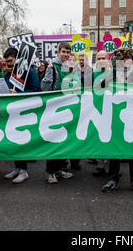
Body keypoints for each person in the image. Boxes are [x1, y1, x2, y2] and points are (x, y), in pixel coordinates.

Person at [101, 48, 133, 194]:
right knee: (115, 146)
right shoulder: (113, 73)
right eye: (123, 59)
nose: (125, 62)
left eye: (128, 59)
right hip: (116, 116)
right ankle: (113, 179)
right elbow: (101, 86)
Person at [0, 47, 40, 184]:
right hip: (12, 111)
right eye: (6, 61)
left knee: (21, 141)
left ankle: (24, 171)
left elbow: (35, 90)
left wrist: (18, 94)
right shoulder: (8, 73)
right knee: (13, 140)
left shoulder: (30, 72)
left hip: (25, 111)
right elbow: (7, 89)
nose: (8, 64)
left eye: (10, 61)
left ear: (18, 58)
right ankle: (17, 167)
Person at [40, 42, 75, 184]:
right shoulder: (52, 67)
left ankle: (61, 168)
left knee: (64, 139)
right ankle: (50, 172)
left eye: (68, 52)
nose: (66, 54)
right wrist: (49, 73)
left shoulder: (70, 67)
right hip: (54, 108)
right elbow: (44, 87)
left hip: (67, 107)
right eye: (63, 52)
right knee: (54, 139)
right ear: (58, 52)